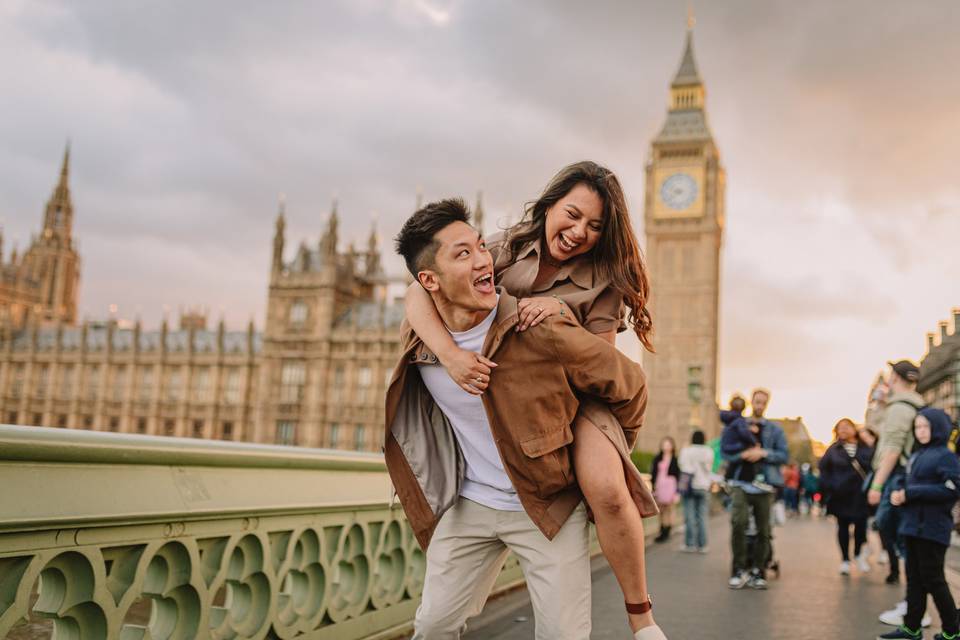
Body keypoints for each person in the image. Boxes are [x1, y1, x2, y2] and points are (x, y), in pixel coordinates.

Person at [403, 162, 663, 638]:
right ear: (550, 206)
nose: (580, 231)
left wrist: (562, 312)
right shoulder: (503, 248)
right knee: (433, 622)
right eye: (572, 214)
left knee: (606, 487)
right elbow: (420, 288)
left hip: (572, 394)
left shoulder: (602, 279)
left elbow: (600, 366)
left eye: (596, 226)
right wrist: (449, 356)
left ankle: (641, 617)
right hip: (502, 413)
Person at [877, 409, 960, 640]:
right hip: (912, 527)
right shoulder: (916, 455)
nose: (920, 431)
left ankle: (953, 631)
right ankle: (911, 628)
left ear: (938, 428)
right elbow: (904, 480)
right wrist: (897, 492)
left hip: (932, 529)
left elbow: (952, 488)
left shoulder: (945, 456)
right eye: (917, 427)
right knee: (914, 579)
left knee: (934, 579)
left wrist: (910, 493)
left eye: (925, 427)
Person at [721, 388, 789, 590]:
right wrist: (742, 455)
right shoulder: (737, 425)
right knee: (738, 523)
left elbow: (783, 455)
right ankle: (738, 569)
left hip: (765, 485)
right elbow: (725, 453)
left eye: (763, 402)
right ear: (752, 402)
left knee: (764, 530)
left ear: (767, 404)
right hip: (741, 483)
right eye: (756, 401)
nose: (759, 405)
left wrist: (762, 453)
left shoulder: (775, 429)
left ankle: (759, 571)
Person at [818, 418, 874, 575]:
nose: (843, 430)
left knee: (861, 527)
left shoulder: (865, 448)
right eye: (839, 428)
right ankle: (845, 560)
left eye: (846, 427)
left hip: (860, 495)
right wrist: (829, 489)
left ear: (854, 429)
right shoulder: (833, 450)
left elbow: (872, 467)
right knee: (842, 527)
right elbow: (824, 471)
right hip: (840, 495)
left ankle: (858, 554)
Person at [679, 429, 714, 552]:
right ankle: (703, 545)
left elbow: (682, 465)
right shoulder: (708, 451)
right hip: (704, 486)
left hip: (689, 486)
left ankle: (690, 544)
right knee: (702, 516)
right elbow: (709, 469)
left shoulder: (687, 451)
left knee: (689, 515)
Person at [651, 436, 681, 543]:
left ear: (672, 446)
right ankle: (662, 529)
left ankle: (667, 529)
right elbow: (654, 473)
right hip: (660, 485)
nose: (666, 446)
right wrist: (653, 487)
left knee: (669, 508)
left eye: (668, 444)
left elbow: (678, 476)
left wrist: (677, 492)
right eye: (664, 444)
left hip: (670, 486)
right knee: (660, 509)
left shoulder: (675, 459)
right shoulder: (658, 458)